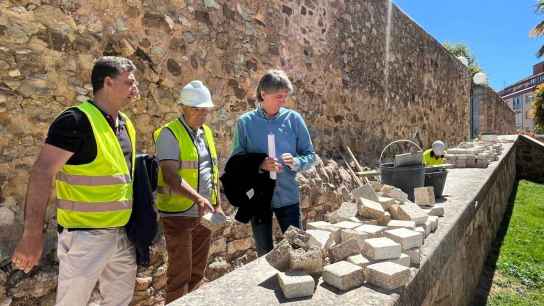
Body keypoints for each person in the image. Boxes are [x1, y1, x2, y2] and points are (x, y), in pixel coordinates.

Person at [11, 56, 140, 306]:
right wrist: (32, 235)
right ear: (108, 82)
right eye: (129, 82)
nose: (135, 89)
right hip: (85, 238)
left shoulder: (126, 125)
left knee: (119, 301)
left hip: (121, 234)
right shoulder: (75, 121)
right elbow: (42, 173)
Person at [231, 69, 316, 256]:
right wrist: (259, 164)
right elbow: (236, 162)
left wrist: (296, 162)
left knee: (298, 250)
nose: (283, 101)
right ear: (263, 94)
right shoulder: (245, 123)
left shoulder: (294, 120)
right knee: (264, 254)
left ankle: (297, 285)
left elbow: (311, 155)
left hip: (288, 196)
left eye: (285, 96)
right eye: (279, 96)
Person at [153, 80, 223, 303]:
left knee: (197, 272)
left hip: (203, 214)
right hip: (178, 215)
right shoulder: (168, 134)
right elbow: (171, 177)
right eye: (196, 109)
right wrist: (199, 198)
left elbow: (212, 170)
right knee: (179, 275)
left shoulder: (207, 133)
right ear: (183, 107)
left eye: (205, 109)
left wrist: (217, 202)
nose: (202, 114)